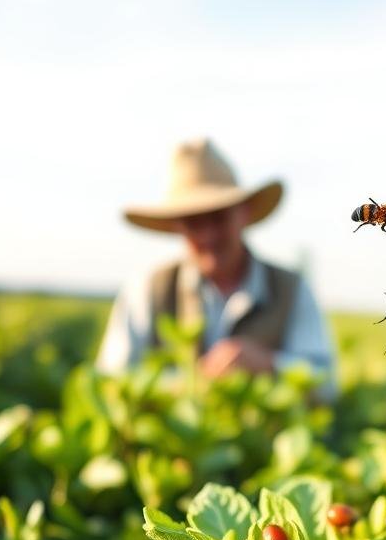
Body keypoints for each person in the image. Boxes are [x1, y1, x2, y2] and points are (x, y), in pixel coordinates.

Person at [96, 140, 335, 392]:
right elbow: (112, 381)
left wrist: (269, 365)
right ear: (177, 226)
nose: (207, 236)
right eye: (193, 223)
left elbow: (327, 385)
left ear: (244, 212)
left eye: (218, 218)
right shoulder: (146, 289)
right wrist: (189, 384)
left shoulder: (291, 288)